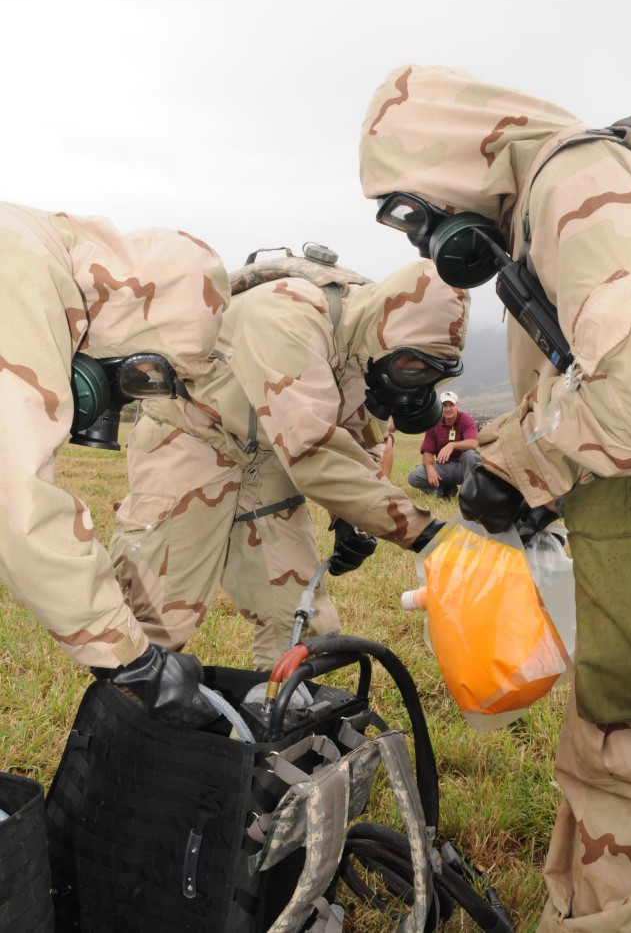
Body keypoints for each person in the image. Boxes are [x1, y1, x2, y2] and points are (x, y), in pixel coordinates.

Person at [360, 64, 631, 930]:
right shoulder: (555, 201)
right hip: (611, 540)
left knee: (619, 759)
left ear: (446, 153)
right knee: (603, 759)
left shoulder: (572, 182)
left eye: (413, 211)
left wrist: (514, 468)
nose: (421, 241)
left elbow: (630, 393)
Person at [109, 247, 467, 668]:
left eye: (431, 377)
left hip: (266, 453)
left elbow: (355, 434)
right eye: (414, 369)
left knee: (302, 624)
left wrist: (351, 517)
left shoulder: (370, 349)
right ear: (389, 327)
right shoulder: (288, 316)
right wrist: (429, 535)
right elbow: (313, 454)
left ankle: (282, 717)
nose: (416, 386)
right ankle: (126, 718)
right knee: (155, 623)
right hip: (192, 435)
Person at [0, 201, 230, 728]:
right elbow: (18, 507)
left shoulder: (34, 249)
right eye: (138, 377)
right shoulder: (23, 273)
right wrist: (135, 662)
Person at [407, 390, 480, 499]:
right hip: (443, 468)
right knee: (414, 477)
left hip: (463, 467)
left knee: (470, 454)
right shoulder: (433, 423)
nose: (448, 409)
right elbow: (427, 451)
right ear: (440, 407)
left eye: (451, 405)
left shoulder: (466, 419)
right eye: (444, 405)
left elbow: (473, 443)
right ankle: (445, 491)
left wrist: (452, 445)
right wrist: (429, 467)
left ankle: (470, 493)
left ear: (458, 406)